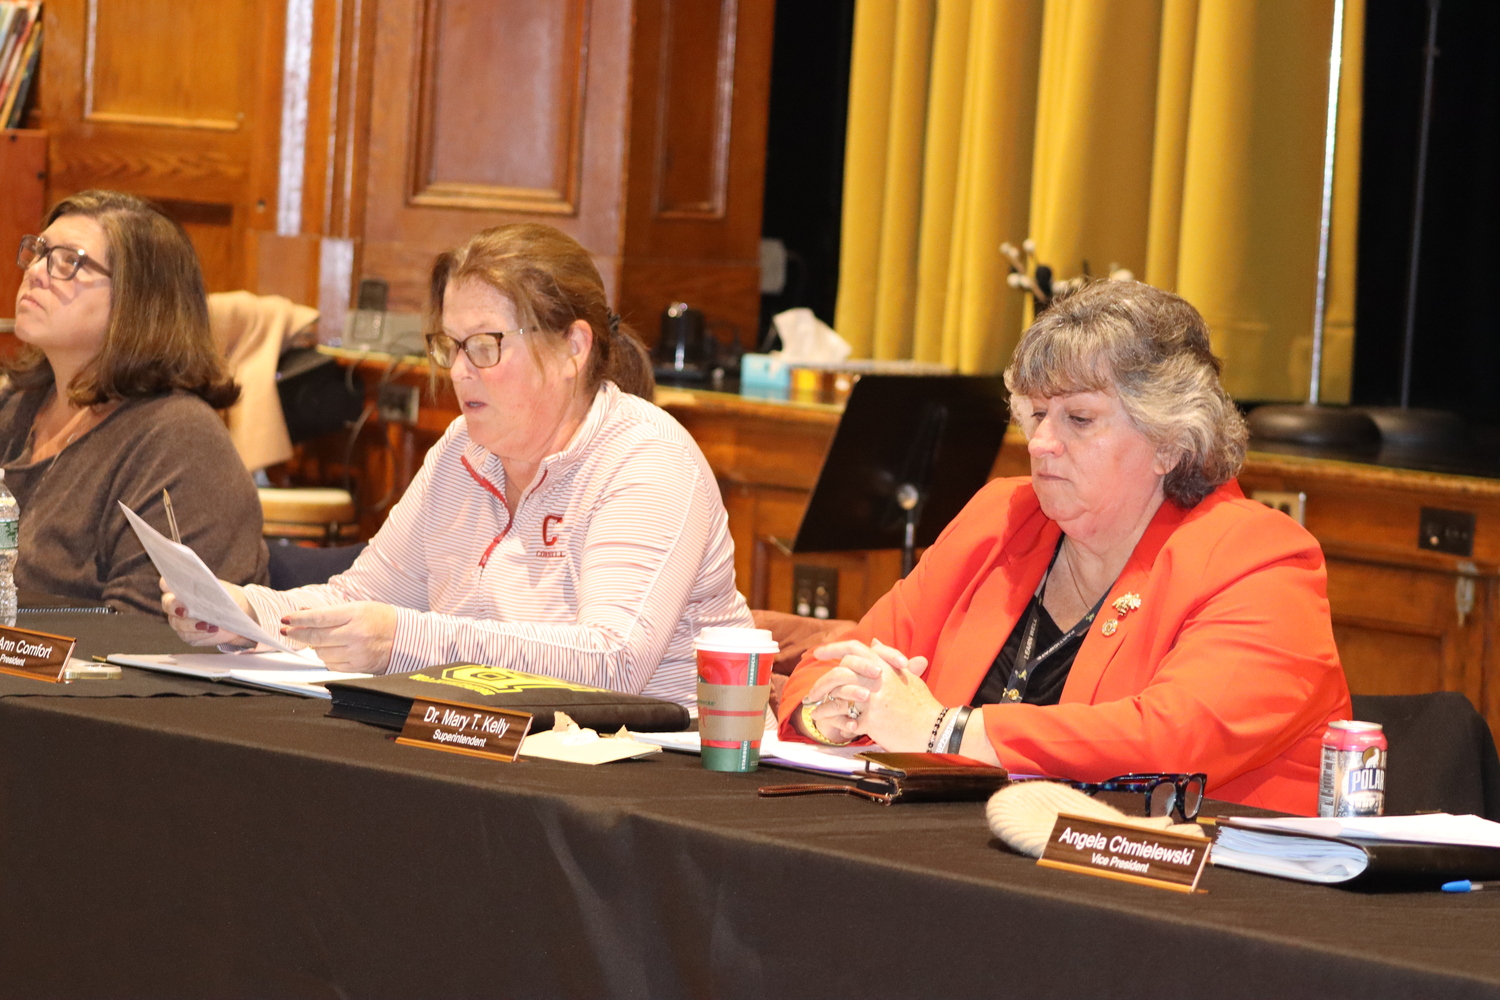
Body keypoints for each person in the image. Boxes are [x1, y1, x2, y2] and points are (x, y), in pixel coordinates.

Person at [778, 281, 1351, 816]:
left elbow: (1167, 742)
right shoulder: (1003, 516)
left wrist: (944, 731)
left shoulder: (1259, 558)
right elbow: (834, 661)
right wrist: (834, 712)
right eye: (1035, 414)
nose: (1043, 444)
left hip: (1198, 889)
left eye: (1079, 418)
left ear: (1171, 441)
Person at [164, 223, 752, 709]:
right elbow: (360, 597)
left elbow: (613, 662)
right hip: (497, 748)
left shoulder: (646, 456)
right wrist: (244, 611)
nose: (460, 370)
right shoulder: (458, 452)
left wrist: (403, 639)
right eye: (450, 345)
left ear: (574, 347)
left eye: (486, 345)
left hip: (661, 774)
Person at [0, 190, 268, 614]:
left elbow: (146, 634)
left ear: (139, 299)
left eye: (68, 261)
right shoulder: (16, 407)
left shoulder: (180, 441)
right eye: (39, 252)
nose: (35, 272)